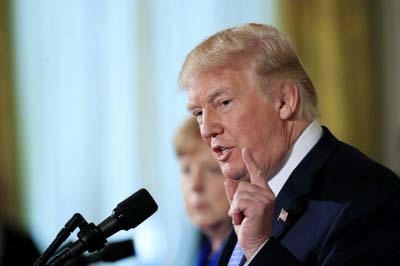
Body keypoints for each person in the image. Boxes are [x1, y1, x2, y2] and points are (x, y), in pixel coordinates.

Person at [178, 23, 400, 265]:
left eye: (224, 103)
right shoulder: (252, 195)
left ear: (284, 100)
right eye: (199, 113)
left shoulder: (370, 199)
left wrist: (261, 248)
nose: (207, 129)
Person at [174, 117, 232, 266]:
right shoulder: (195, 253)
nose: (195, 185)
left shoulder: (256, 253)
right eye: (186, 169)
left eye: (212, 169)